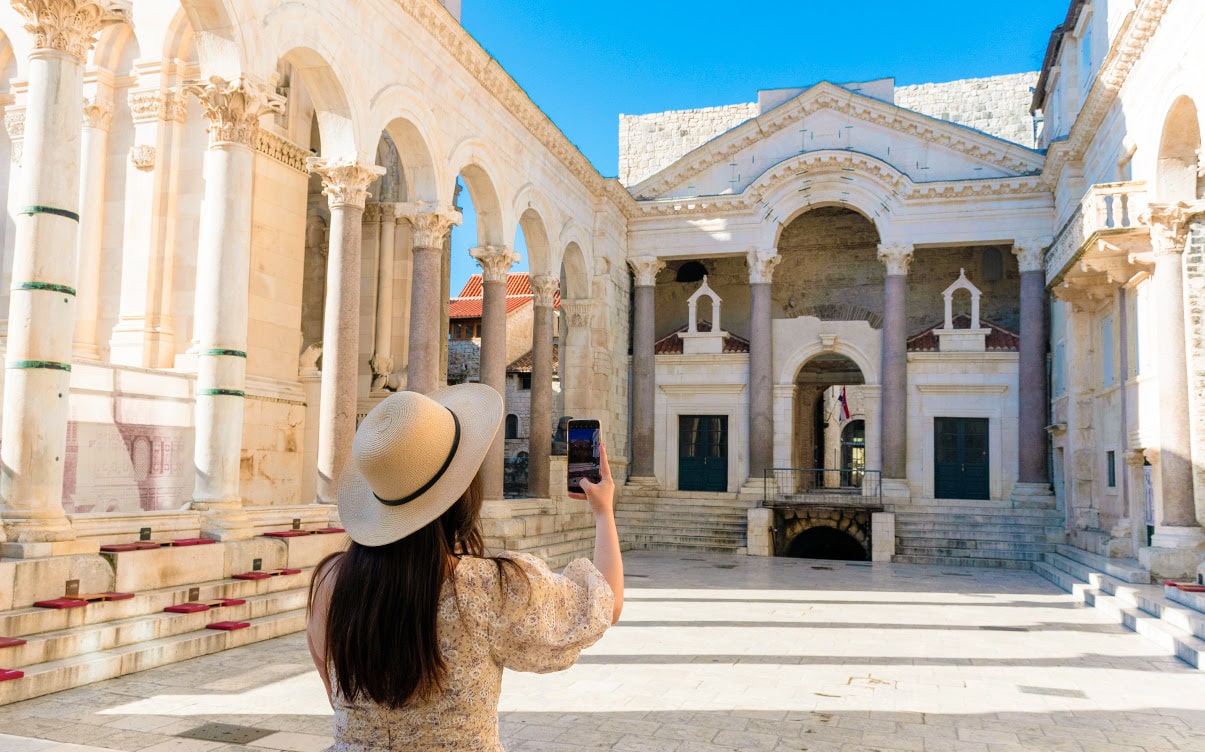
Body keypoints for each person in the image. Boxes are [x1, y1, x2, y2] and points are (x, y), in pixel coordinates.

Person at [307, 384, 623, 751]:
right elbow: (604, 602)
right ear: (463, 495)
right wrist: (603, 512)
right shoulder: (489, 588)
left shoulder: (331, 582)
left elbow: (337, 696)